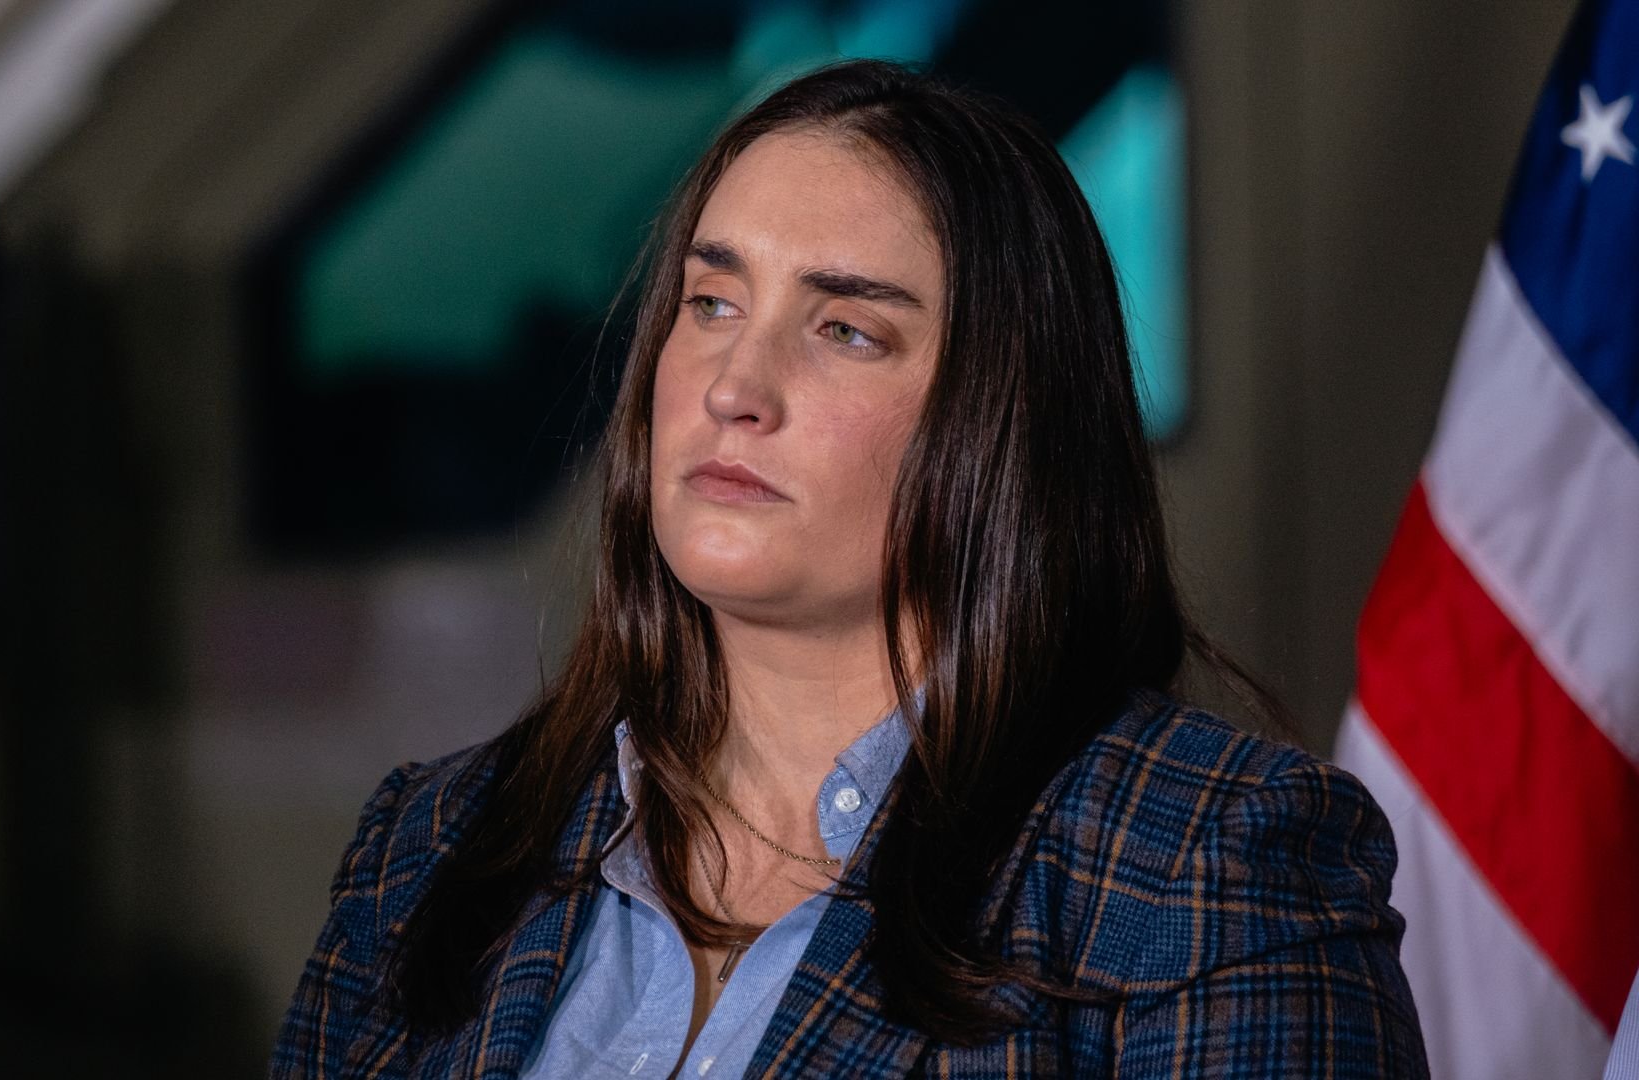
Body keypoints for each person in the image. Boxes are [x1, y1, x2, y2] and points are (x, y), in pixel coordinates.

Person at [271, 59, 1428, 1078]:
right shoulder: (429, 846)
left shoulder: (1211, 868)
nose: (734, 384)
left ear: (1003, 422)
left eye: (845, 331)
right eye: (711, 303)